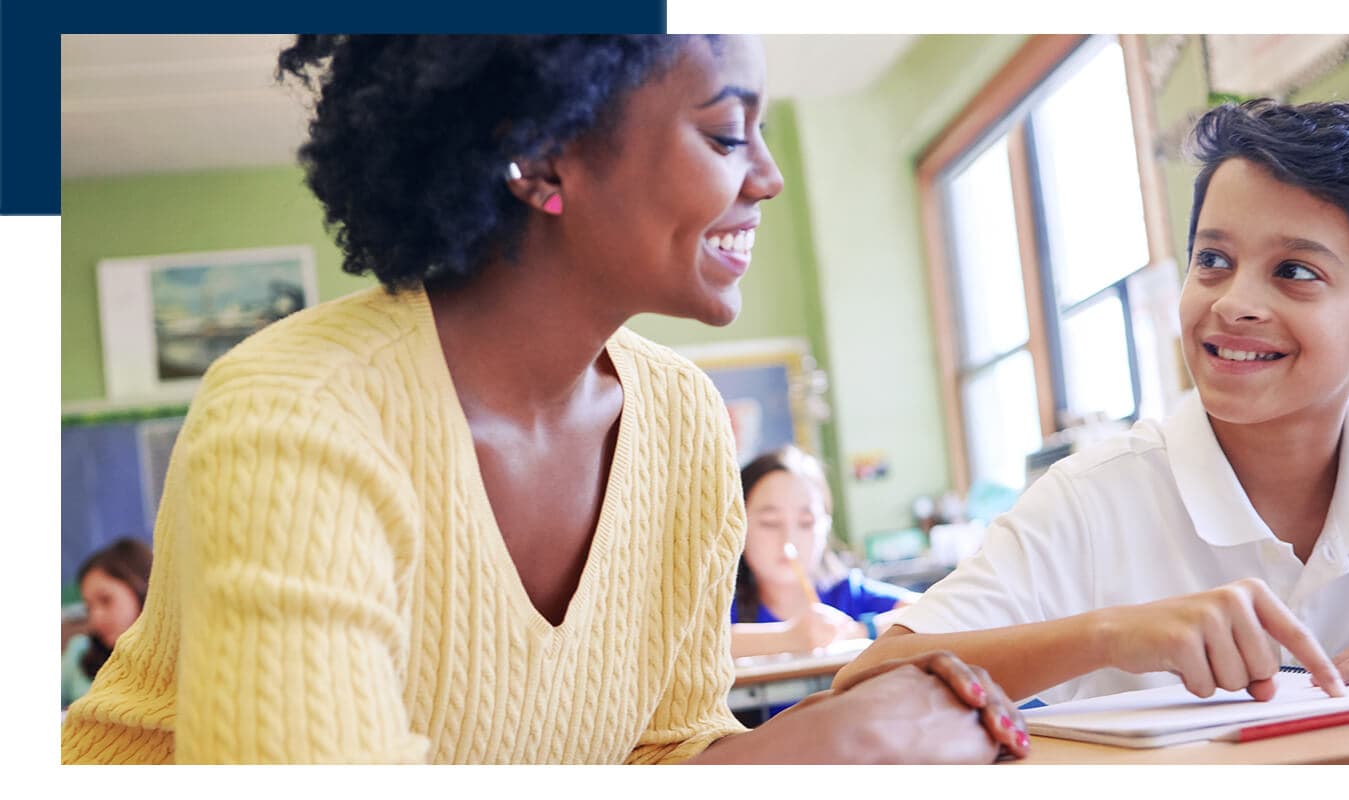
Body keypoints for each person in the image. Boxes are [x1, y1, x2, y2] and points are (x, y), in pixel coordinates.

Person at [61, 35, 1028, 764]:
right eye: (728, 132)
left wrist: (851, 730)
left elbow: (666, 752)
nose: (767, 177)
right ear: (541, 158)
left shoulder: (685, 424)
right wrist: (829, 751)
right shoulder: (300, 413)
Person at [839, 99, 1349, 707]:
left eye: (1294, 272)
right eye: (1213, 261)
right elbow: (869, 678)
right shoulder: (1092, 499)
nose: (1232, 304)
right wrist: (1107, 634)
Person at [730, 445, 916, 659]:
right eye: (770, 523)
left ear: (825, 527)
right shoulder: (721, 605)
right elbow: (696, 646)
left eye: (806, 522)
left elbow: (934, 610)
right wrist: (790, 637)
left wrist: (859, 631)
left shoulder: (848, 594)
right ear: (738, 525)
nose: (789, 540)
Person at [61, 538, 154, 709]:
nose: (95, 618)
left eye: (106, 600)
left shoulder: (171, 655)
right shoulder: (79, 652)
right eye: (88, 607)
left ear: (141, 590)